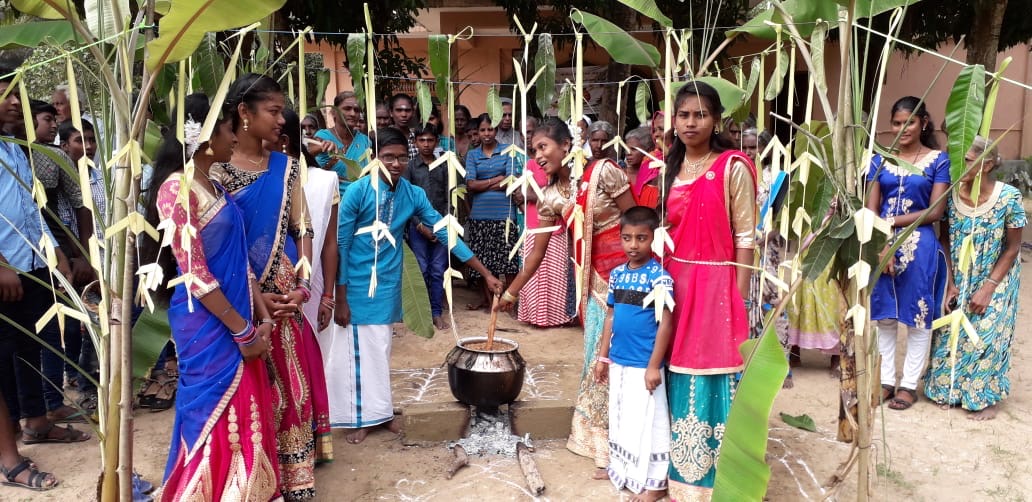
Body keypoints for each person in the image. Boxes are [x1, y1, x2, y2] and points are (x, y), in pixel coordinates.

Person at [142, 96, 280, 501]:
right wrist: (242, 332)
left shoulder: (215, 184)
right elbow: (195, 273)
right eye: (228, 130)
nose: (235, 139)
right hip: (208, 323)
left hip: (237, 315)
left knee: (248, 410)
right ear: (205, 136)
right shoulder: (175, 189)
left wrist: (260, 311)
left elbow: (240, 259)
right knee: (214, 413)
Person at [333, 127, 502, 443]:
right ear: (374, 157)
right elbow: (341, 243)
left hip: (389, 282)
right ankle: (363, 417)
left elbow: (443, 231)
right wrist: (340, 295)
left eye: (400, 157)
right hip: (356, 286)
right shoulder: (357, 191)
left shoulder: (412, 194)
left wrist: (484, 270)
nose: (395, 164)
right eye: (387, 157)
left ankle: (380, 412)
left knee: (380, 350)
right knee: (361, 354)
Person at [210, 73, 331, 500]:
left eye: (282, 111)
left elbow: (304, 229)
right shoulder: (215, 172)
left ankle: (297, 478)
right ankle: (254, 478)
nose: (282, 120)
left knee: (292, 384)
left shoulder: (287, 166)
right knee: (254, 389)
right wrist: (255, 298)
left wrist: (302, 286)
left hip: (285, 292)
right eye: (274, 111)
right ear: (244, 113)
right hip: (240, 297)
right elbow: (216, 244)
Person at [498, 117, 635, 475]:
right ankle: (604, 443)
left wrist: (638, 280)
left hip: (628, 284)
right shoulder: (550, 196)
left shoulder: (604, 171)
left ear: (566, 145)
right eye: (534, 150)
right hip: (593, 288)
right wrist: (509, 295)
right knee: (598, 361)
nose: (538, 156)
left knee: (630, 360)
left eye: (543, 147)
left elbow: (636, 223)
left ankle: (635, 441)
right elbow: (535, 256)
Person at [661, 81, 757, 501]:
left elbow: (746, 238)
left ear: (716, 120)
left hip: (717, 283)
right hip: (673, 284)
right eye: (683, 114)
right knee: (672, 368)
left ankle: (715, 479)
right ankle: (675, 473)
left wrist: (736, 300)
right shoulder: (670, 168)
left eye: (700, 114)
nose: (691, 122)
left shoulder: (732, 166)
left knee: (713, 371)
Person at [1, 68, 88, 449]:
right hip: (7, 268)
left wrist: (54, 249)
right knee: (5, 354)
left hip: (32, 264)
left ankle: (37, 421)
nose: (15, 102)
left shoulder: (14, 149)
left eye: (16, 94)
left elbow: (30, 207)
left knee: (31, 348)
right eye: (5, 95)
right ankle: (10, 445)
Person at [924, 137, 1025, 420]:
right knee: (951, 327)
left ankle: (984, 396)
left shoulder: (1009, 198)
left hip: (997, 275)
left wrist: (989, 288)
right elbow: (944, 238)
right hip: (959, 274)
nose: (959, 164)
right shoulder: (951, 195)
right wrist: (950, 283)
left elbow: (1013, 248)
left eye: (966, 159)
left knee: (986, 331)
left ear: (987, 164)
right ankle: (950, 390)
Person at [866, 96, 950, 411]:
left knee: (918, 315)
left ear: (923, 123)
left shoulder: (939, 160)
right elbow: (871, 209)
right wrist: (880, 244)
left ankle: (909, 385)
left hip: (921, 247)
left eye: (910, 122)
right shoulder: (879, 160)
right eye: (897, 123)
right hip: (881, 245)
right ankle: (887, 381)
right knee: (885, 316)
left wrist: (889, 222)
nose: (903, 129)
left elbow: (935, 211)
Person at [592, 206, 673, 501]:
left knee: (651, 421)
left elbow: (666, 322)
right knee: (623, 416)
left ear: (653, 238)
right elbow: (610, 316)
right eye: (627, 238)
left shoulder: (660, 278)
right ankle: (622, 469)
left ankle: (655, 483)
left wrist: (654, 366)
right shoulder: (617, 275)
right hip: (619, 360)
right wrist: (603, 357)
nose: (633, 245)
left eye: (641, 238)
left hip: (644, 363)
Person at [464, 113, 522, 310]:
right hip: (479, 215)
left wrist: (486, 183)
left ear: (496, 130)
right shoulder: (472, 154)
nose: (486, 133)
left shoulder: (508, 150)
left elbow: (511, 181)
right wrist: (495, 179)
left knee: (509, 262)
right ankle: (492, 304)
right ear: (478, 132)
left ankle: (510, 303)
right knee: (484, 261)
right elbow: (471, 185)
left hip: (505, 215)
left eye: (490, 129)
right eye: (482, 130)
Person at [516, 153, 576, 328]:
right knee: (534, 274)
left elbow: (566, 194)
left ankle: (557, 318)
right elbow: (521, 194)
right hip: (534, 224)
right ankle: (535, 317)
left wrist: (539, 197)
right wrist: (541, 200)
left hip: (558, 227)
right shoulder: (531, 164)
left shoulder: (561, 167)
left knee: (556, 275)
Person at [402, 124, 452, 330]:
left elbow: (451, 196)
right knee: (421, 269)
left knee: (438, 269)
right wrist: (420, 225)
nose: (426, 144)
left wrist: (445, 223)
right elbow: (406, 199)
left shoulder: (444, 165)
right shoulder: (410, 167)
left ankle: (436, 312)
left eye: (430, 140)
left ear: (437, 142)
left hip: (441, 224)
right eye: (421, 140)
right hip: (417, 226)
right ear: (415, 143)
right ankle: (421, 312)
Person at [311, 91, 372, 196]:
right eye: (347, 109)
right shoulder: (322, 136)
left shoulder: (365, 141)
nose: (353, 114)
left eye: (357, 110)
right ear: (334, 112)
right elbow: (305, 153)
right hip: (331, 202)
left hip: (359, 201)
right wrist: (321, 147)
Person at [624, 126, 659, 208]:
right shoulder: (620, 173)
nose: (628, 153)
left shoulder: (653, 177)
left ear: (648, 150)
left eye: (633, 149)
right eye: (626, 148)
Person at [389, 93, 418, 159]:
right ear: (391, 112)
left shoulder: (417, 137)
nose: (404, 114)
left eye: (407, 110)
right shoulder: (384, 137)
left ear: (413, 112)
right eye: (399, 110)